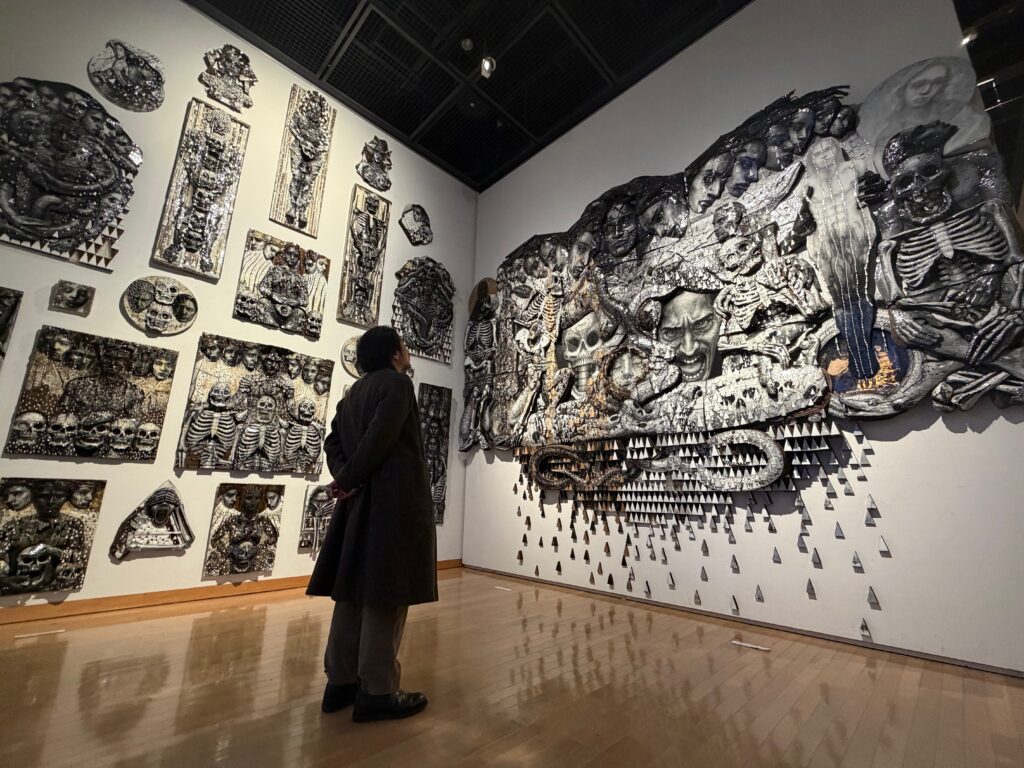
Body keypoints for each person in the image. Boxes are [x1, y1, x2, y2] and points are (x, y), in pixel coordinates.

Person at [307, 326, 436, 722]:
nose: (408, 351)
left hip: (359, 503)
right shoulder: (397, 385)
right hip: (391, 504)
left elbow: (332, 443)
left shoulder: (352, 394)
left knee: (352, 589)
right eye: (405, 346)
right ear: (395, 353)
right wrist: (348, 479)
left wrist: (346, 477)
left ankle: (340, 681)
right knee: (386, 592)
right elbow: (381, 437)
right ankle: (378, 689)